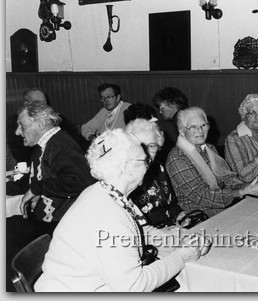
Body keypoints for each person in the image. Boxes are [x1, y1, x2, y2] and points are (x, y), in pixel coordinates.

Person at [34, 129, 209, 292]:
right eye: (144, 160)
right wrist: (181, 256)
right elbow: (133, 286)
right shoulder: (107, 215)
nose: (149, 165)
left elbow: (139, 232)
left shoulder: (105, 192)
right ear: (127, 168)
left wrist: (178, 238)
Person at [7, 102, 95, 291]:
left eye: (22, 125)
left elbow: (81, 181)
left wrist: (39, 188)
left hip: (60, 228)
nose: (17, 132)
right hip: (49, 222)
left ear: (40, 123)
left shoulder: (60, 144)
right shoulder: (45, 144)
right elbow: (39, 177)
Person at [166, 107, 258, 217]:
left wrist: (252, 186)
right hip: (201, 216)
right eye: (193, 127)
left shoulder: (209, 148)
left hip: (224, 208)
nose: (200, 131)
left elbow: (227, 178)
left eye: (203, 125)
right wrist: (242, 191)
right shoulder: (178, 158)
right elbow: (201, 196)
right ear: (181, 131)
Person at [125, 118, 186, 228]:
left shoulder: (159, 168)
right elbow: (130, 226)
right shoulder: (126, 179)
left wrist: (181, 216)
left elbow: (171, 204)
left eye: (151, 146)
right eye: (141, 146)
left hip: (173, 230)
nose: (145, 153)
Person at [152, 87, 189, 163]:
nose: (160, 112)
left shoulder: (176, 122)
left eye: (161, 108)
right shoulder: (188, 114)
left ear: (173, 105)